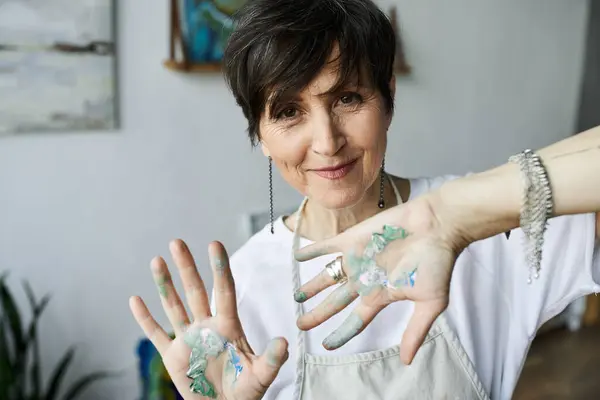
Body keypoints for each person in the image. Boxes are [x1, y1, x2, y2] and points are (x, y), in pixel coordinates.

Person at [128, 0, 600, 399]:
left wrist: (450, 216)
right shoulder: (247, 285)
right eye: (289, 111)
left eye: (348, 98)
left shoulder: (483, 227)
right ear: (261, 136)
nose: (327, 141)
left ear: (388, 96)